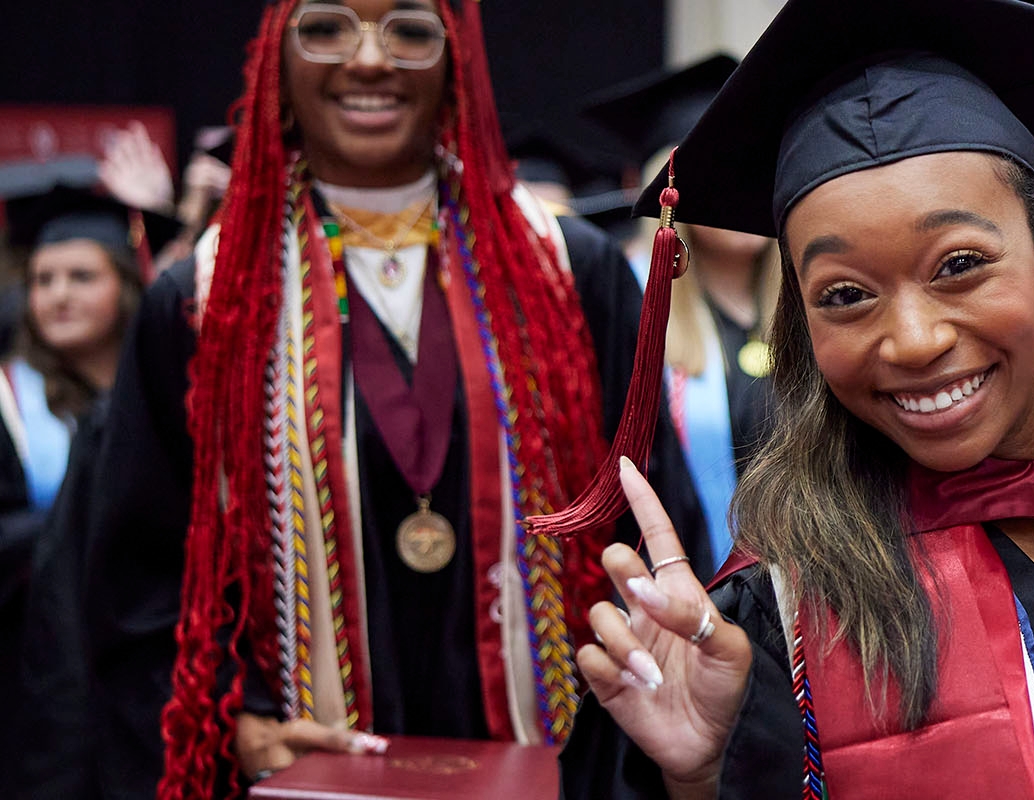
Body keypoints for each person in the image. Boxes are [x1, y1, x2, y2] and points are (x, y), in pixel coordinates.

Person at [558, 0, 1034, 797]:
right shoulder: (781, 618)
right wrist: (702, 777)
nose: (915, 339)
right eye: (847, 294)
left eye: (959, 264)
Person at [66, 1, 707, 797]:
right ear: (277, 61)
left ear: (455, 62)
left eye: (408, 29)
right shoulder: (206, 300)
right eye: (327, 26)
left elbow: (654, 526)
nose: (369, 61)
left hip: (554, 770)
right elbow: (137, 584)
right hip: (305, 779)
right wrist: (238, 724)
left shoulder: (567, 274)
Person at [0, 183, 174, 794]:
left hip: (149, 683)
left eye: (80, 277)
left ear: (125, 286)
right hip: (37, 682)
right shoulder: (10, 403)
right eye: (44, 281)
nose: (58, 296)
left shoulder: (164, 399)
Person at [584, 54, 780, 576]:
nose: (743, 191)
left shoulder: (819, 307)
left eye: (759, 168)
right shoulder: (634, 316)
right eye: (721, 169)